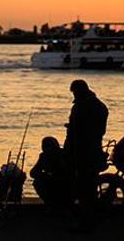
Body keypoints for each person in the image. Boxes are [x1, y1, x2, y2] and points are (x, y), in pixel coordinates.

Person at [63, 79, 108, 232]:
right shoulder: (100, 106)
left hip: (82, 153)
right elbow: (99, 131)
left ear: (78, 91)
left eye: (74, 92)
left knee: (83, 188)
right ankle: (90, 219)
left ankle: (85, 222)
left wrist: (70, 149)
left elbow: (78, 133)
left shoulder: (80, 107)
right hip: (94, 150)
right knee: (90, 186)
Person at [30, 136, 71, 208]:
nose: (45, 148)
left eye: (47, 146)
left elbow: (66, 172)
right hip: (50, 181)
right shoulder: (44, 156)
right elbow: (33, 172)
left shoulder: (63, 155)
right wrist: (44, 175)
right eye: (44, 146)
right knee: (37, 182)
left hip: (64, 183)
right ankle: (50, 203)